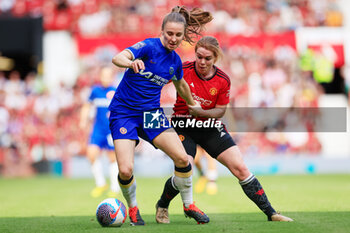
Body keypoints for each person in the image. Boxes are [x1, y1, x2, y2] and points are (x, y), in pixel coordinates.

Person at [155, 36, 294, 223]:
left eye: (207, 58)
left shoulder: (222, 80)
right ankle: (162, 206)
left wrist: (202, 111)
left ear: (216, 58)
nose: (202, 62)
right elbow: (157, 83)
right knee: (184, 167)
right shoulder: (183, 69)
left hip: (210, 126)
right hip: (183, 126)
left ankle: (271, 213)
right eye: (199, 57)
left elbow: (221, 111)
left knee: (241, 168)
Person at [109, 6, 213, 226]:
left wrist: (194, 104)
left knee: (183, 159)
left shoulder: (174, 62)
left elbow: (181, 84)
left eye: (178, 35)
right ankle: (133, 209)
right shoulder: (148, 47)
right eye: (169, 34)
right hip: (124, 113)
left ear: (183, 36)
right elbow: (117, 57)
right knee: (125, 169)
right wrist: (131, 62)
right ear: (162, 32)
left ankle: (189, 205)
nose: (173, 38)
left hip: (151, 114)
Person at [79, 66, 120, 198]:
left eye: (108, 75)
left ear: (112, 77)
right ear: (100, 76)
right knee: (91, 154)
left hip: (111, 129)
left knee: (112, 158)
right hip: (98, 129)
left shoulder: (116, 91)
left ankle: (114, 187)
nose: (106, 78)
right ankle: (101, 184)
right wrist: (83, 120)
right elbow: (87, 105)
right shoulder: (95, 91)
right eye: (104, 75)